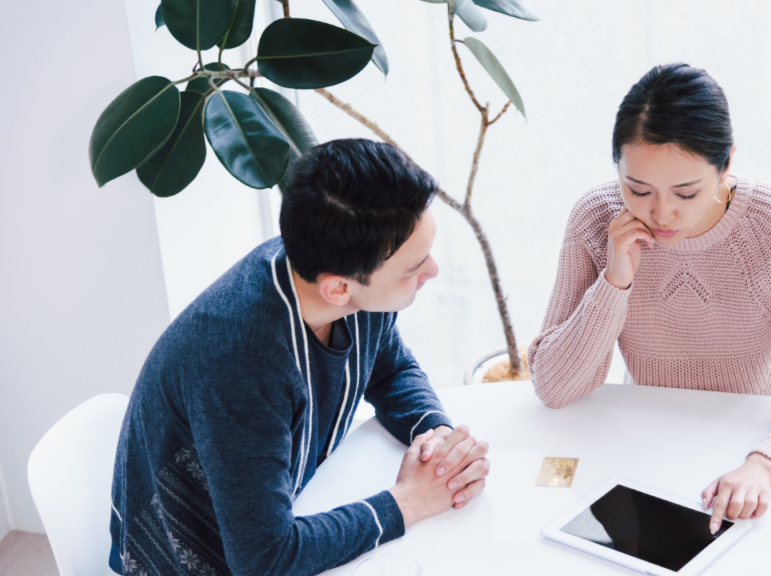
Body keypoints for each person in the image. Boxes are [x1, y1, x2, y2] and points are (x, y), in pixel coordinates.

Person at [109, 139, 490, 576]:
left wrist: (438, 443)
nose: (433, 271)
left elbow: (390, 370)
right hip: (194, 557)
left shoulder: (338, 267)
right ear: (339, 288)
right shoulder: (240, 363)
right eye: (414, 267)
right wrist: (408, 502)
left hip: (282, 508)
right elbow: (265, 559)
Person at [528, 63, 771, 535]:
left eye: (686, 193)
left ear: (726, 164)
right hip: (649, 449)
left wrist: (763, 464)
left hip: (759, 451)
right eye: (637, 189)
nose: (661, 214)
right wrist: (614, 281)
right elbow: (554, 388)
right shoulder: (596, 219)